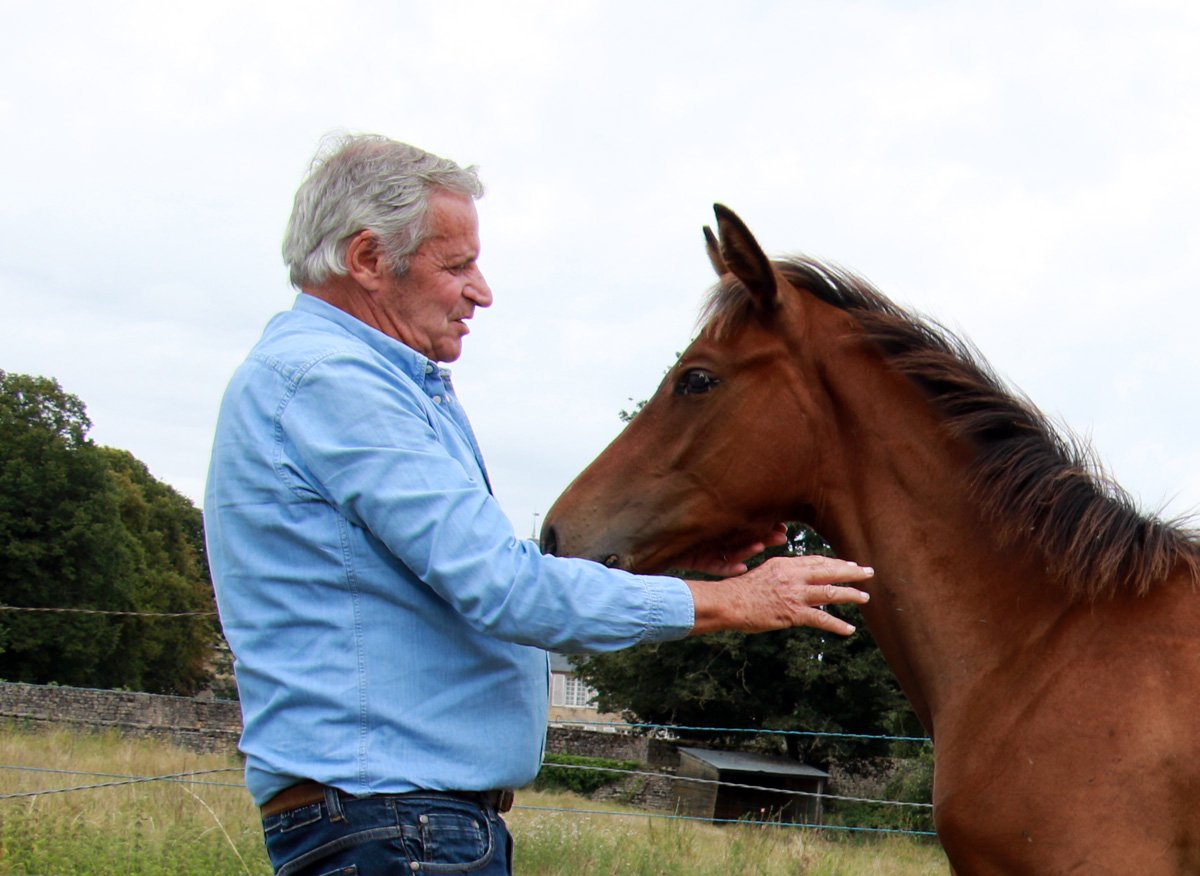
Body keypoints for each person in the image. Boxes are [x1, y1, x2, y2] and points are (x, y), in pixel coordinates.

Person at [204, 133, 873, 876]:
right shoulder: (335, 383)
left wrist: (673, 563)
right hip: (394, 825)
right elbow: (503, 588)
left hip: (398, 825)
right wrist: (730, 601)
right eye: (456, 265)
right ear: (366, 259)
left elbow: (469, 579)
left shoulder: (357, 384)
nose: (481, 290)